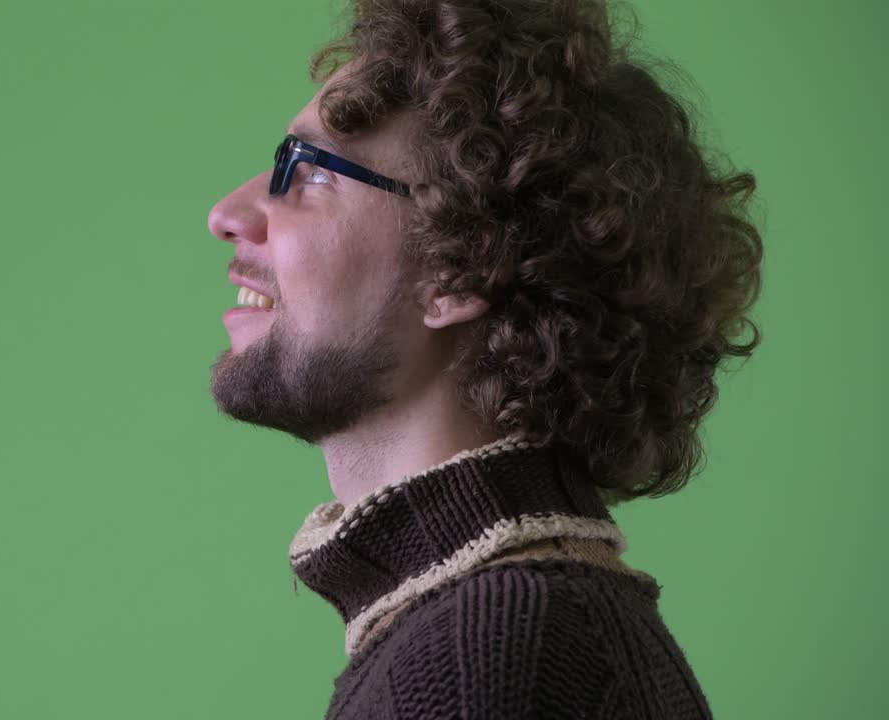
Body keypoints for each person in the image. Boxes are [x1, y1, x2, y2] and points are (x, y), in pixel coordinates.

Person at [206, 0, 762, 717]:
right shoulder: (488, 626)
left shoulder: (491, 657)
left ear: (460, 269)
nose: (227, 213)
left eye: (311, 172)